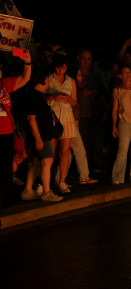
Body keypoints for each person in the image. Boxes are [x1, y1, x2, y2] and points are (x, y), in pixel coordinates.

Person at [20, 68, 62, 202]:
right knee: (47, 162)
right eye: (48, 79)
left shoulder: (35, 96)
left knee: (38, 163)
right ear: (43, 80)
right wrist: (38, 138)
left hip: (41, 135)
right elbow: (31, 119)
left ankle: (27, 190)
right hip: (42, 136)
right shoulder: (35, 97)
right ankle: (47, 192)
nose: (49, 82)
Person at [46, 55, 86, 193]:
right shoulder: (49, 79)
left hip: (67, 118)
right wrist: (52, 97)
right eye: (58, 67)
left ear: (66, 68)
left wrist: (68, 98)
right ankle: (48, 181)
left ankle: (62, 181)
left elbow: (75, 103)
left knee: (65, 152)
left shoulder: (71, 81)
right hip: (52, 118)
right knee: (50, 153)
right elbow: (42, 98)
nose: (60, 70)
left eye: (62, 67)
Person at [0, 50, 32, 208]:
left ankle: (6, 198)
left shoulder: (4, 83)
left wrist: (27, 62)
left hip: (6, 132)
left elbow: (25, 79)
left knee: (6, 167)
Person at [76, 49, 109, 174]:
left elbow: (106, 90)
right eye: (84, 58)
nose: (86, 61)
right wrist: (81, 93)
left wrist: (98, 92)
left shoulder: (97, 73)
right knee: (83, 142)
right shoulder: (75, 73)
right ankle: (85, 167)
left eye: (89, 59)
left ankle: (98, 165)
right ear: (79, 58)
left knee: (96, 140)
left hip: (95, 111)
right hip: (81, 112)